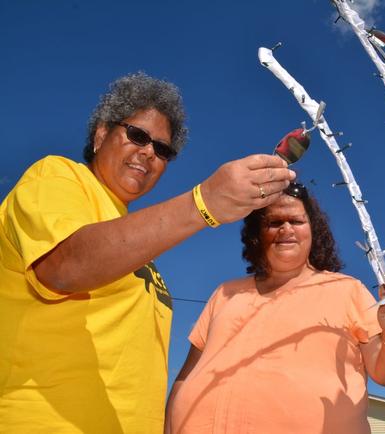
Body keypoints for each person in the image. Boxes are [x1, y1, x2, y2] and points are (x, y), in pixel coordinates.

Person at [0, 72, 295, 433]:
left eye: (163, 149)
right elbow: (63, 266)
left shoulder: (138, 246)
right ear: (100, 135)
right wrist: (204, 203)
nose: (148, 152)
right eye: (137, 135)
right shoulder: (58, 176)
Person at [165, 182, 385, 434]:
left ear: (313, 230)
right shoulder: (224, 293)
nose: (286, 229)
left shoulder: (348, 289)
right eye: (274, 222)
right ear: (257, 234)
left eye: (296, 221)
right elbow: (184, 378)